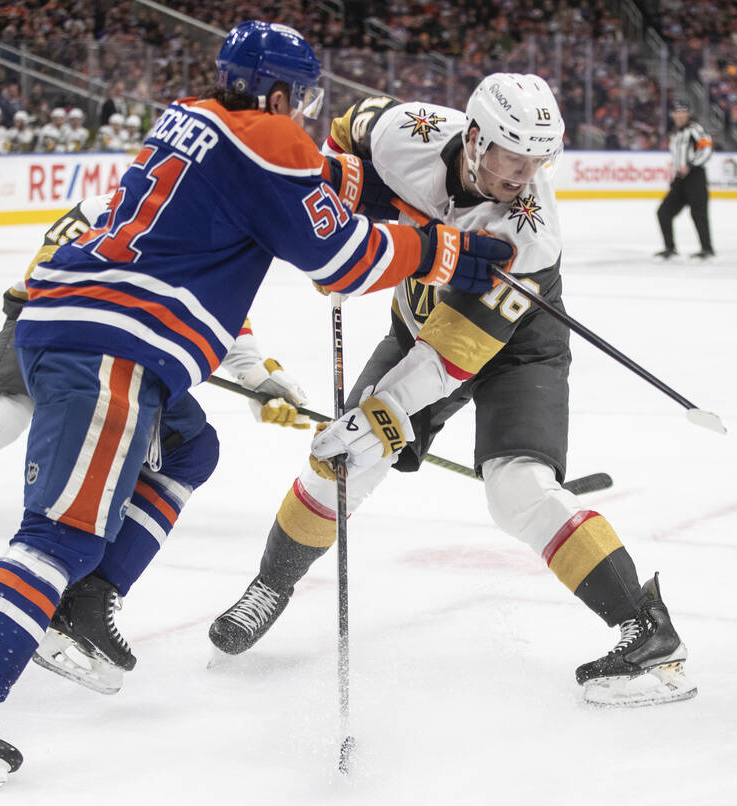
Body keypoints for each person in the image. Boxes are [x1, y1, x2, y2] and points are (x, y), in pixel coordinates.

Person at [0, 20, 512, 790]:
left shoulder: (194, 117)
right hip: (109, 345)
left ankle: (86, 605)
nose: (309, 111)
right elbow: (339, 259)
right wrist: (447, 250)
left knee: (193, 449)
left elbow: (315, 181)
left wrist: (401, 194)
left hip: (94, 328)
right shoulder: (269, 139)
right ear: (279, 92)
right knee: (57, 535)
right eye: (303, 97)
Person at [207, 73, 697, 710]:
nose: (524, 175)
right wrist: (334, 226)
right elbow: (339, 139)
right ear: (473, 139)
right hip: (419, 321)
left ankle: (646, 631)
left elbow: (451, 358)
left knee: (516, 489)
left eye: (538, 160)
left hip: (515, 348)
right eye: (512, 157)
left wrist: (381, 413)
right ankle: (270, 587)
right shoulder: (402, 132)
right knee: (341, 460)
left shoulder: (529, 233)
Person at [0, 194, 311, 547]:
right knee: (3, 414)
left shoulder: (208, 239)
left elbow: (223, 315)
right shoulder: (103, 208)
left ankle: (105, 520)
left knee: (166, 434)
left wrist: (256, 377)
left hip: (117, 352)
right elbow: (43, 271)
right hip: (47, 322)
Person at [655, 100, 714, 260]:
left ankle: (707, 248)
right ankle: (669, 247)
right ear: (673, 115)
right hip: (681, 179)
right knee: (663, 212)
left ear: (688, 114)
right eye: (677, 112)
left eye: (683, 112)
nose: (680, 115)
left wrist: (691, 165)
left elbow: (707, 148)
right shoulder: (676, 134)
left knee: (698, 214)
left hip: (695, 177)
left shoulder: (695, 129)